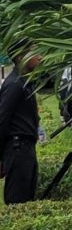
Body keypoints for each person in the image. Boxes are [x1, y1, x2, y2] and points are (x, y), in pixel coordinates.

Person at [0, 51, 41, 205]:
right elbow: (2, 119)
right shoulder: (14, 85)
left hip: (26, 148)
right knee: (17, 201)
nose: (40, 56)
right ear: (20, 56)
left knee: (27, 199)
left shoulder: (25, 82)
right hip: (17, 148)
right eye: (35, 52)